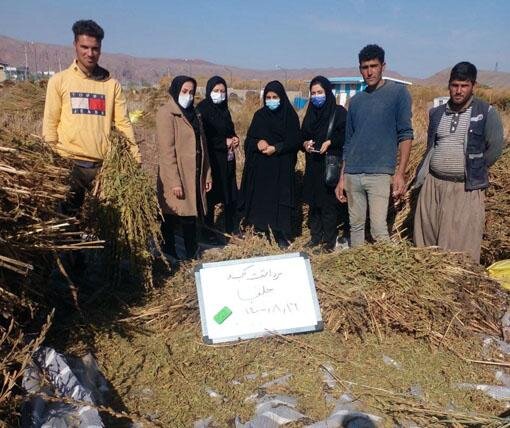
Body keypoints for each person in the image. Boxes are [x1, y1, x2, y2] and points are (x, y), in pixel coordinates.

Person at [42, 20, 140, 215]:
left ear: (100, 49)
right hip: (69, 164)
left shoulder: (111, 85)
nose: (90, 53)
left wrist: (134, 155)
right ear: (75, 46)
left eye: (95, 48)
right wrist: (51, 158)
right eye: (84, 47)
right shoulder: (59, 81)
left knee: (103, 221)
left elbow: (123, 123)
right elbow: (50, 123)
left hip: (102, 166)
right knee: (66, 219)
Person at [413, 62, 504, 263]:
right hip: (433, 184)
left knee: (460, 243)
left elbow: (496, 148)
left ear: (473, 86)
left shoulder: (486, 112)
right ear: (449, 85)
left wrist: (474, 167)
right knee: (427, 237)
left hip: (465, 188)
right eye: (455, 85)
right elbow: (432, 145)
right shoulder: (437, 113)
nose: (459, 91)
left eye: (464, 85)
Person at [335, 44, 414, 247]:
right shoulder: (356, 101)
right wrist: (342, 177)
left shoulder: (398, 94)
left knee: (378, 229)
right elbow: (349, 141)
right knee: (356, 227)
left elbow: (405, 134)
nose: (369, 71)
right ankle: (358, 274)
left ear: (383, 66)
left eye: (373, 66)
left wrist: (400, 173)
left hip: (379, 173)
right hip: (353, 174)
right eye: (364, 67)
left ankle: (389, 276)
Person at [156, 76, 212, 260]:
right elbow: (166, 151)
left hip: (194, 173)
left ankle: (191, 252)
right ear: (175, 90)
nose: (188, 96)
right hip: (177, 174)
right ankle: (169, 251)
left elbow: (203, 145)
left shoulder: (195, 114)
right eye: (185, 91)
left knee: (190, 214)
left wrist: (207, 174)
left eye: (192, 92)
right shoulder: (166, 114)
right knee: (172, 214)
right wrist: (174, 182)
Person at [239, 80, 300, 247]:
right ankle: (261, 230)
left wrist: (277, 148)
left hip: (281, 169)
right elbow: (249, 141)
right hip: (262, 169)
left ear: (282, 97)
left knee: (280, 203)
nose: (271, 100)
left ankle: (281, 235)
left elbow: (295, 141)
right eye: (268, 97)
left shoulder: (290, 116)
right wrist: (257, 143)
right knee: (262, 201)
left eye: (275, 97)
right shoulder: (260, 115)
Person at [301, 76, 347, 251]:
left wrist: (331, 142)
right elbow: (302, 135)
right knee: (314, 204)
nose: (316, 96)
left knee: (328, 205)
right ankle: (315, 236)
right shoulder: (310, 113)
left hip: (330, 165)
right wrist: (305, 144)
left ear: (327, 93)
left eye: (319, 92)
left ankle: (328, 241)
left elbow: (346, 136)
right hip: (313, 164)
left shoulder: (339, 112)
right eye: (313, 93)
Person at [196, 76, 239, 240]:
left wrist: (234, 138)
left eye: (222, 91)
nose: (219, 94)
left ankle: (230, 228)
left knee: (229, 192)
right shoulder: (202, 110)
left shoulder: (224, 110)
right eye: (216, 91)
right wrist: (223, 142)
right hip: (211, 160)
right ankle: (208, 231)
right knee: (211, 195)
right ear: (209, 91)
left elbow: (229, 129)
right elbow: (203, 137)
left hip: (227, 159)